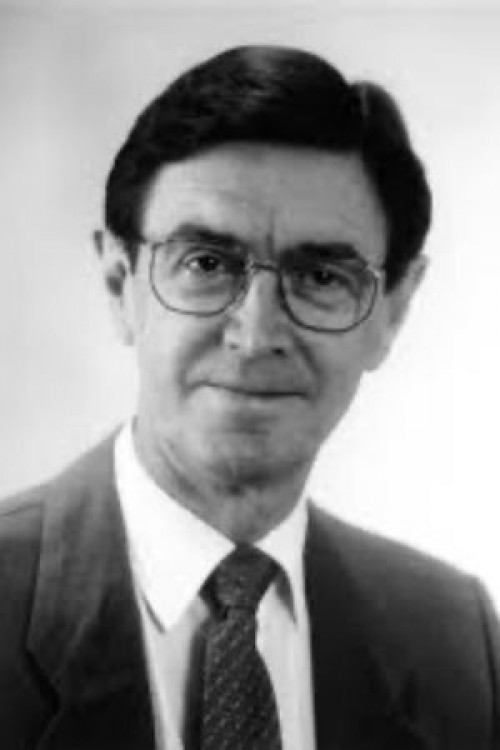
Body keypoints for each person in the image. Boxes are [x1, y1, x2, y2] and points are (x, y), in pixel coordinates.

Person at [0, 45, 498, 750]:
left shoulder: (456, 641)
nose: (257, 334)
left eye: (321, 277)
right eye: (206, 263)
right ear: (120, 285)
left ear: (393, 312)